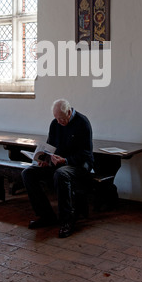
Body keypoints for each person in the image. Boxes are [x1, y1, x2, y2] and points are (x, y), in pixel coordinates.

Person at [21, 98, 94, 238]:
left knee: (61, 174)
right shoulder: (55, 123)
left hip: (78, 165)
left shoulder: (82, 123)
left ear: (68, 112)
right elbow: (50, 148)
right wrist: (44, 160)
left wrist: (65, 160)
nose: (59, 122)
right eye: (56, 118)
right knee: (28, 173)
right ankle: (46, 215)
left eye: (61, 118)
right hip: (58, 163)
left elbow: (85, 154)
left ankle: (67, 220)